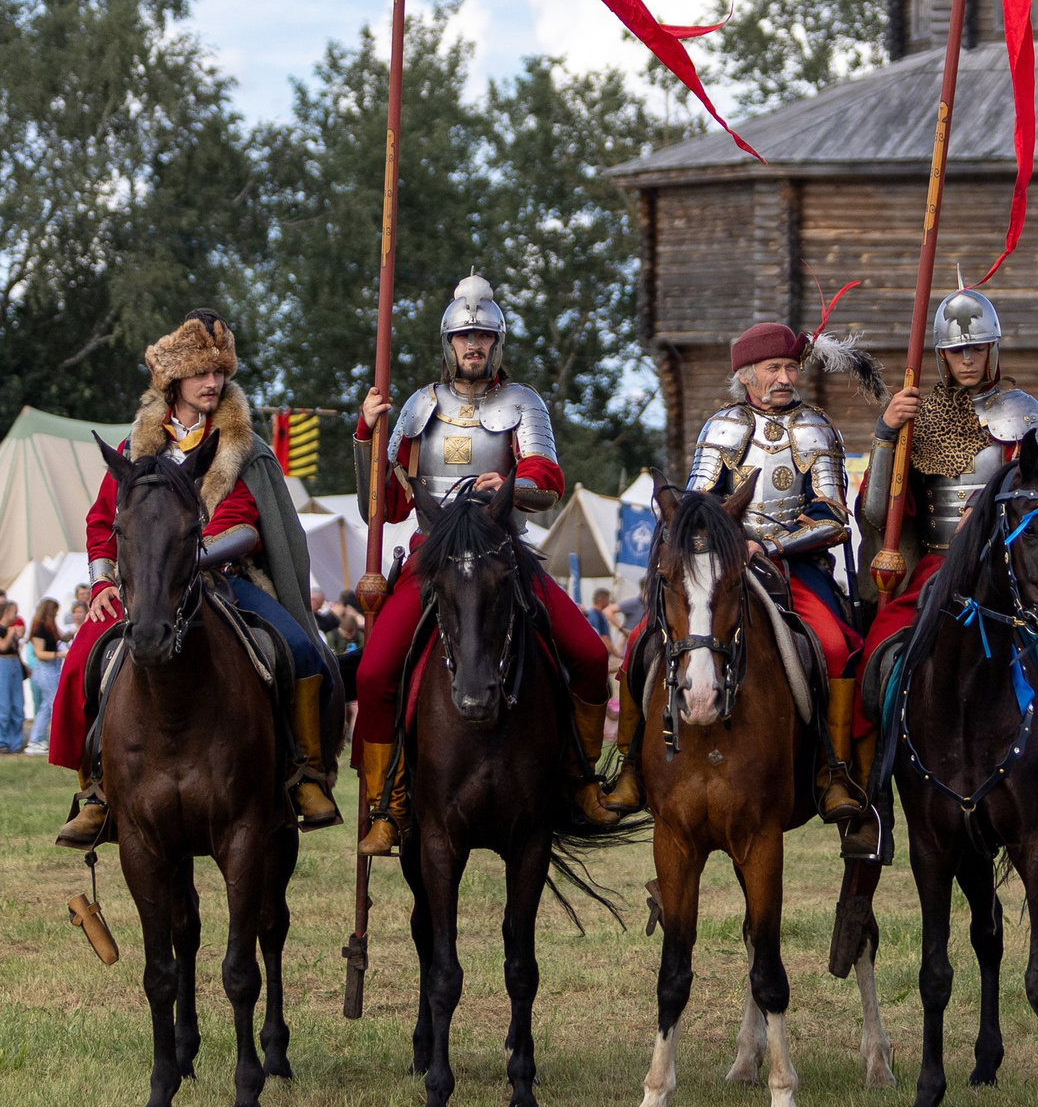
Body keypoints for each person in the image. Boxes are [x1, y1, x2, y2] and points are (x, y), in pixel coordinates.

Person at [340, 281, 611, 853]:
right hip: (434, 554)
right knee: (372, 673)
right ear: (449, 341)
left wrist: (510, 487)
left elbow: (547, 480)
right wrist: (367, 430)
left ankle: (580, 779)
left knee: (589, 654)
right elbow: (385, 505)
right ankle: (387, 803)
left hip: (501, 553)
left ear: (496, 342)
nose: (473, 343)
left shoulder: (523, 403)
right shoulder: (415, 407)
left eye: (483, 334)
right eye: (464, 334)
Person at [50, 309, 338, 843]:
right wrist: (103, 582)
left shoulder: (242, 446)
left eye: (220, 371)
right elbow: (101, 520)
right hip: (149, 588)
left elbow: (246, 524)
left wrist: (193, 556)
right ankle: (94, 790)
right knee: (82, 660)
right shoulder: (135, 448)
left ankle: (305, 774)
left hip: (228, 578)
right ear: (174, 378)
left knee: (297, 649)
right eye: (201, 372)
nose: (213, 382)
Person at [859, 283, 1038, 850]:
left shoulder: (1024, 412)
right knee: (875, 665)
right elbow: (880, 510)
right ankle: (869, 798)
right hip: (934, 570)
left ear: (994, 349)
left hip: (1012, 571)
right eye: (959, 350)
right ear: (942, 356)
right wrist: (886, 433)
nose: (969, 358)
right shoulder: (917, 414)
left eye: (978, 347)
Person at [604, 316, 880, 848]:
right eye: (773, 368)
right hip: (719, 565)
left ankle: (834, 770)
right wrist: (718, 541)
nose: (785, 377)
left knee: (836, 646)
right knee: (642, 643)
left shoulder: (816, 428)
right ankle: (631, 767)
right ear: (747, 375)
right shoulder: (721, 428)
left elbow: (834, 517)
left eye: (790, 367)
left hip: (794, 568)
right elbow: (694, 504)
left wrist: (771, 545)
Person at [26, 599, 63, 756]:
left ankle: (35, 739)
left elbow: (63, 637)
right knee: (55, 703)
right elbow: (39, 653)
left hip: (53, 667)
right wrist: (60, 654)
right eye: (54, 611)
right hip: (44, 669)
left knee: (46, 706)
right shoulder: (39, 629)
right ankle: (53, 739)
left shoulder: (51, 627)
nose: (56, 613)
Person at [0, 608, 27, 753]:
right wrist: (10, 634)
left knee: (17, 705)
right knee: (2, 705)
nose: (16, 615)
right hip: (2, 664)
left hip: (14, 664)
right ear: (6, 612)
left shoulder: (14, 630)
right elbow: (1, 646)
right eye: (14, 612)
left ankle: (15, 742)